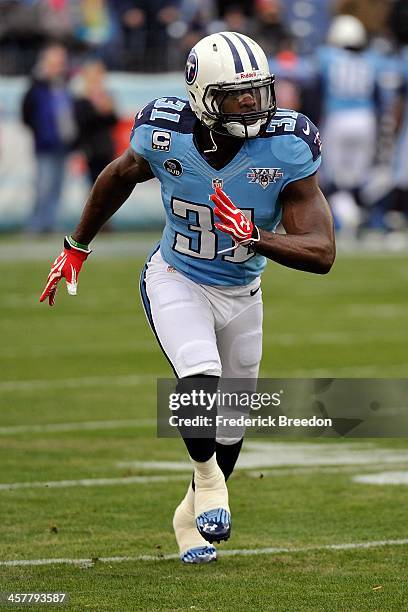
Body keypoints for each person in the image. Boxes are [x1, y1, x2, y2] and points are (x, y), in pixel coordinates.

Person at [39, 32, 335, 564]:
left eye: (258, 92)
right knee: (200, 374)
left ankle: (188, 511)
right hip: (176, 277)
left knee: (234, 419)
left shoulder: (286, 145)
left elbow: (322, 251)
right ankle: (207, 481)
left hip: (243, 289)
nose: (252, 105)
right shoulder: (165, 130)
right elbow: (119, 175)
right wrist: (76, 246)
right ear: (202, 95)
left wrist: (254, 236)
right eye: (236, 95)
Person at [22, 44, 77, 233]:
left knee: (58, 186)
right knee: (43, 185)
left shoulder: (64, 84)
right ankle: (37, 224)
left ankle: (50, 222)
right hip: (45, 145)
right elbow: (27, 113)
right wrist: (41, 132)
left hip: (63, 144)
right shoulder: (37, 86)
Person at [74, 60, 118, 184]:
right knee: (95, 185)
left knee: (109, 184)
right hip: (91, 149)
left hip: (106, 147)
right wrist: (98, 110)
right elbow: (83, 123)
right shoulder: (82, 99)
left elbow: (113, 121)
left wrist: (106, 109)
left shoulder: (106, 96)